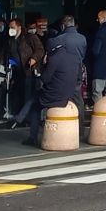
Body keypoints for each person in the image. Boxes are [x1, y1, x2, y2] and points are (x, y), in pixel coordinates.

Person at [26, 15, 85, 147]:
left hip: (57, 88)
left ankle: (32, 136)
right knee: (78, 103)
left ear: (63, 26)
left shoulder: (58, 43)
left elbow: (46, 78)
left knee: (36, 104)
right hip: (74, 77)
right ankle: (79, 130)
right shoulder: (82, 39)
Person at [10, 15, 48, 130]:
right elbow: (5, 54)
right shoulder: (10, 41)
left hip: (29, 71)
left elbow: (40, 50)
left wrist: (34, 59)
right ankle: (20, 117)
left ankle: (27, 119)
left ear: (19, 27)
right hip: (17, 73)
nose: (10, 29)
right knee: (19, 95)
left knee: (29, 96)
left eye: (12, 27)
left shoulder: (29, 37)